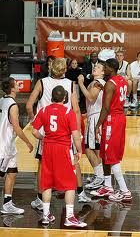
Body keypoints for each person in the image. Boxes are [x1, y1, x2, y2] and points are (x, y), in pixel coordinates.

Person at [26, 58, 90, 210]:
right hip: (65, 129)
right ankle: (80, 192)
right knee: (74, 160)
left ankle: (41, 199)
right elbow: (75, 109)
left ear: (50, 67)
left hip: (45, 131)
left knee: (43, 164)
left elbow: (29, 105)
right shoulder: (70, 84)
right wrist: (78, 132)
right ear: (65, 70)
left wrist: (33, 119)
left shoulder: (41, 82)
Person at [32, 85, 87, 227]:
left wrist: (43, 138)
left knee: (47, 182)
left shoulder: (43, 110)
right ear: (64, 97)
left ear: (52, 96)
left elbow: (34, 131)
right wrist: (79, 150)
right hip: (63, 149)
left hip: (48, 149)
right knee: (70, 183)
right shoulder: (68, 112)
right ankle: (69, 217)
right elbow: (75, 135)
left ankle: (45, 215)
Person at [92, 58, 132, 202]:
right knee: (105, 152)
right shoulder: (122, 80)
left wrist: (98, 125)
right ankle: (108, 186)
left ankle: (125, 191)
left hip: (112, 120)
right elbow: (117, 94)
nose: (104, 69)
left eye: (105, 67)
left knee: (112, 155)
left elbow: (106, 107)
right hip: (120, 117)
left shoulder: (110, 84)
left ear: (110, 68)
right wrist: (106, 89)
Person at [0, 78, 33, 214]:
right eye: (16, 84)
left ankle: (7, 204)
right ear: (12, 89)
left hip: (9, 145)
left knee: (12, 173)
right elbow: (17, 128)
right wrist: (28, 141)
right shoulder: (12, 105)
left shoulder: (2, 100)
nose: (19, 85)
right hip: (4, 145)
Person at [78, 62, 105, 190]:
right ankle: (100, 175)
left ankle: (100, 176)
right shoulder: (97, 82)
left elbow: (90, 97)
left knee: (88, 148)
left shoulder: (97, 83)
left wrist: (81, 84)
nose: (95, 68)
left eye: (98, 67)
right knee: (96, 148)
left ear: (103, 72)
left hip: (96, 116)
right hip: (95, 115)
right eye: (95, 66)